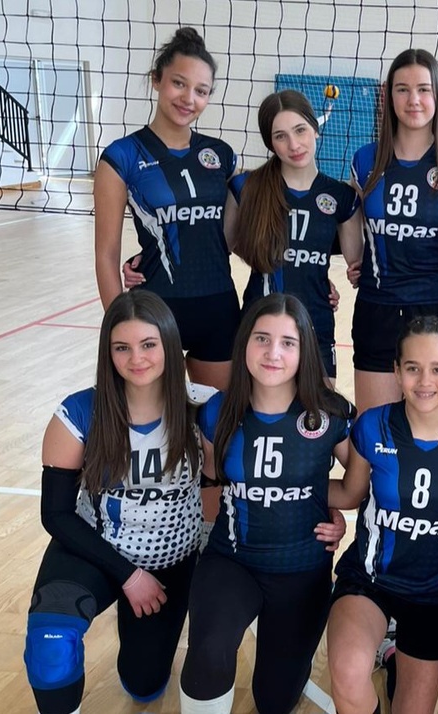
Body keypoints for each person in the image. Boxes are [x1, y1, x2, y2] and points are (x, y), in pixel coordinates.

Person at [24, 291, 203, 713]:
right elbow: (56, 514)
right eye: (122, 347)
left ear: (170, 344)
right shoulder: (78, 413)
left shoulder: (202, 408)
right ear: (108, 352)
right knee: (50, 646)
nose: (136, 358)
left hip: (169, 562)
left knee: (144, 685)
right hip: (93, 550)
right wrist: (128, 575)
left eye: (148, 344)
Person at [179, 294, 353, 714]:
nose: (273, 352)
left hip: (301, 570)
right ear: (244, 343)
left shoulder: (331, 415)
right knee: (209, 650)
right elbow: (214, 480)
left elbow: (353, 491)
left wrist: (333, 515)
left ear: (304, 350)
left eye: (287, 342)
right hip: (233, 560)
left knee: (275, 701)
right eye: (262, 338)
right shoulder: (217, 411)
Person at [325, 315, 438, 714]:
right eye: (413, 368)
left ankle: (395, 658)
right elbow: (350, 492)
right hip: (369, 578)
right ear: (397, 372)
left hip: (431, 589)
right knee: (347, 674)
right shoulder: (373, 426)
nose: (425, 381)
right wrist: (292, 492)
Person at [94, 27, 239, 391]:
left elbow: (232, 236)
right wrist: (121, 326)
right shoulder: (121, 157)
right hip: (155, 311)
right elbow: (106, 254)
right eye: (178, 83)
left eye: (201, 91)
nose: (189, 98)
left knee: (220, 418)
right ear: (156, 80)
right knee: (155, 419)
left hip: (218, 308)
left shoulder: (221, 155)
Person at [346, 48, 438, 413]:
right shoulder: (365, 160)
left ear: (437, 95)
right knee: (375, 429)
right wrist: (359, 262)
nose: (413, 100)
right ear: (389, 97)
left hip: (437, 306)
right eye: (402, 89)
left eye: (423, 89)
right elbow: (355, 224)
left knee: (433, 433)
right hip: (378, 307)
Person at [230, 89, 362, 385]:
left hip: (315, 322)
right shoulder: (246, 187)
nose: (294, 144)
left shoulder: (341, 197)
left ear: (315, 128)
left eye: (300, 130)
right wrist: (268, 257)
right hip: (260, 323)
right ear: (270, 143)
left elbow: (358, 266)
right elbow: (219, 245)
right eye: (280, 136)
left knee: (319, 411)